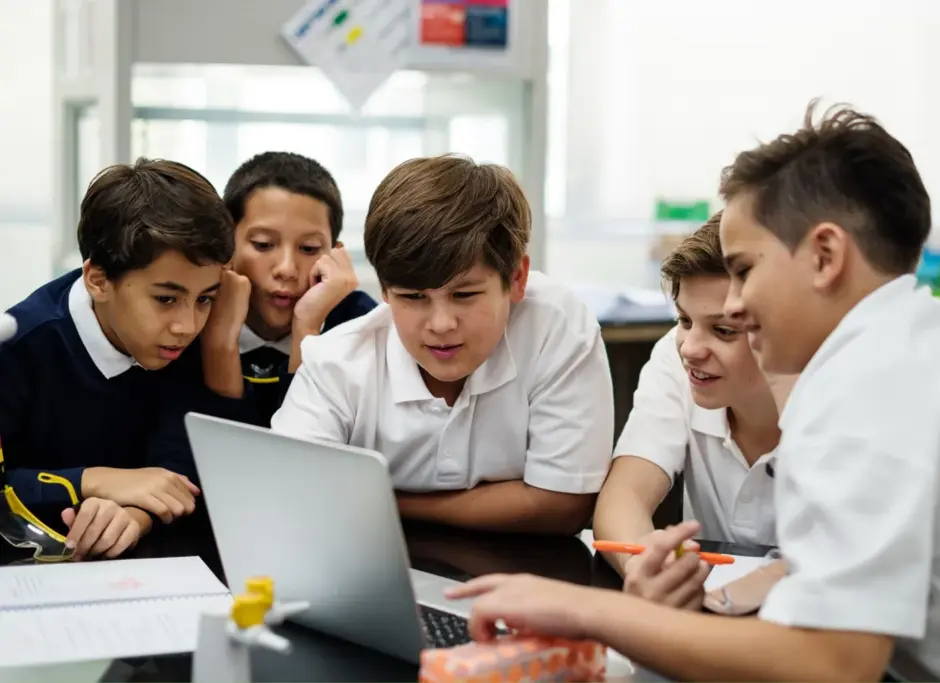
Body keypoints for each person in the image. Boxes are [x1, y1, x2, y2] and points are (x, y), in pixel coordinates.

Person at [444, 102, 940, 682]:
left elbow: (832, 664)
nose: (738, 304)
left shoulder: (867, 382)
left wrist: (584, 608)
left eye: (745, 270)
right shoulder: (920, 339)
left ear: (825, 255)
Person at [271, 154, 614, 535]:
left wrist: (383, 497)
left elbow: (565, 505)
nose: (441, 325)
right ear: (384, 290)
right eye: (413, 297)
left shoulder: (556, 325)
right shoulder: (338, 362)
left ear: (517, 277)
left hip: (538, 579)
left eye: (465, 295)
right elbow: (293, 500)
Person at [0, 158, 236, 560]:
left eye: (205, 298)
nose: (187, 324)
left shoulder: (195, 336)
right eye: (166, 299)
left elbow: (187, 461)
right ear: (98, 280)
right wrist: (91, 481)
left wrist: (136, 511)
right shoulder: (19, 347)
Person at [592, 213, 793, 609]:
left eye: (723, 330)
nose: (690, 348)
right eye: (684, 319)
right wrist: (647, 571)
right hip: (712, 616)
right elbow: (624, 495)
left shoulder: (842, 390)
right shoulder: (674, 354)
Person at [199, 152, 377, 426]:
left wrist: (306, 330)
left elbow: (301, 455)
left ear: (335, 255)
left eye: (308, 249)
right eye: (262, 244)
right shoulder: (189, 315)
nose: (286, 269)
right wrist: (219, 344)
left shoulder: (363, 328)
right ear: (226, 244)